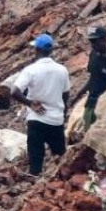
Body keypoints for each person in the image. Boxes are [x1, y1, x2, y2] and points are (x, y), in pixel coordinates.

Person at [9, 34, 70, 176]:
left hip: (36, 120)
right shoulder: (62, 70)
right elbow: (65, 94)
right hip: (56, 120)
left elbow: (14, 91)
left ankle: (35, 187)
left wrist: (30, 103)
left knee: (35, 162)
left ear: (36, 49)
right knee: (60, 158)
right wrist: (63, 111)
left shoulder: (31, 70)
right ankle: (61, 184)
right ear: (51, 50)